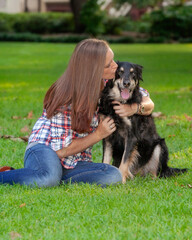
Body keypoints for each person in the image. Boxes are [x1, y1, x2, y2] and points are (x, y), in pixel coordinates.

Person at [0, 39, 154, 187]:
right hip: (46, 150)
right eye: (109, 65)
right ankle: (16, 175)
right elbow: (60, 151)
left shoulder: (109, 81)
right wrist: (98, 134)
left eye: (113, 61)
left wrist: (134, 108)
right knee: (47, 178)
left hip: (75, 159)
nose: (116, 67)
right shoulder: (67, 98)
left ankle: (47, 175)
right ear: (93, 70)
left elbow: (147, 100)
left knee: (112, 176)